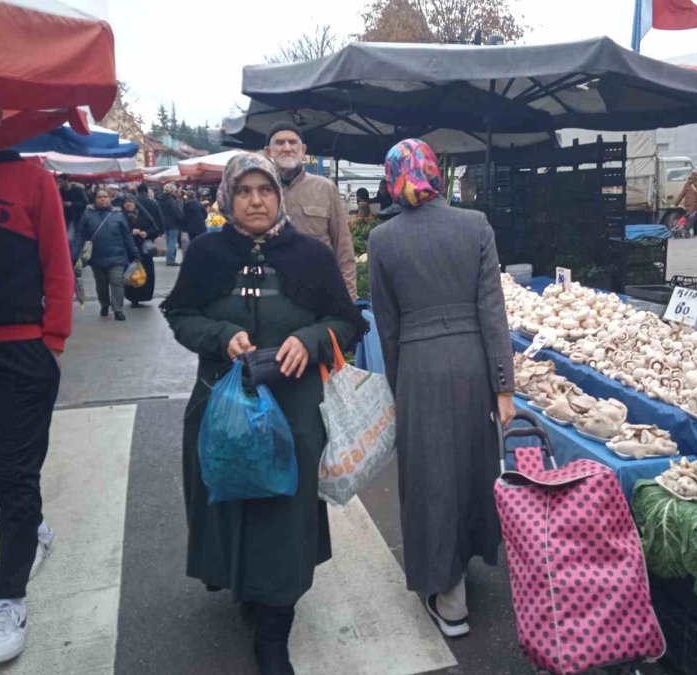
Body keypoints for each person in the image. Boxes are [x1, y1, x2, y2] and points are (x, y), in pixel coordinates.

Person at [161, 153, 366, 675]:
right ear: (229, 198)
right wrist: (221, 336)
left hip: (292, 413)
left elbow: (346, 321)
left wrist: (311, 338)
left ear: (279, 196)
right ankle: (243, 586)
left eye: (265, 190)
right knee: (231, 503)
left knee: (281, 515)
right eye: (245, 191)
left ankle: (274, 630)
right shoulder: (208, 254)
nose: (256, 200)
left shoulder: (310, 257)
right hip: (220, 408)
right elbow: (180, 314)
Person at [368, 139, 515, 638]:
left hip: (418, 368)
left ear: (392, 178)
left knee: (430, 477)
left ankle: (449, 598)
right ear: (436, 171)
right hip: (473, 364)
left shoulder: (383, 240)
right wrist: (503, 387)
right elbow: (494, 312)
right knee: (472, 466)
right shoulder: (475, 225)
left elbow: (386, 326)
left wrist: (398, 385)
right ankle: (470, 559)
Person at [0, 147, 73, 664]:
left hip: (22, 348)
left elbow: (57, 265)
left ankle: (8, 597)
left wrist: (53, 340)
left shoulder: (32, 178)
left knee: (14, 474)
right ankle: (36, 529)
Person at [263, 122, 357, 299]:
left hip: (320, 292)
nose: (287, 148)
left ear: (303, 149)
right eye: (280, 142)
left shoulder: (325, 188)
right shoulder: (260, 191)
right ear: (268, 151)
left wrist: (349, 299)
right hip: (273, 295)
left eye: (292, 142)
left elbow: (343, 248)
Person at [71, 189, 139, 321]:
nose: (103, 199)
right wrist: (74, 255)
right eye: (99, 197)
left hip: (117, 256)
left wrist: (135, 252)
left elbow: (127, 236)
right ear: (95, 199)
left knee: (117, 281)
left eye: (105, 196)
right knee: (101, 284)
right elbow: (79, 236)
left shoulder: (118, 214)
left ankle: (118, 309)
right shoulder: (87, 215)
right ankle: (104, 304)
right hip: (97, 257)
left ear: (110, 198)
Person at [121, 195, 158, 308]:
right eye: (126, 202)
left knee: (147, 273)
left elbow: (154, 230)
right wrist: (131, 232)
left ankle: (145, 295)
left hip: (144, 250)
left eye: (130, 201)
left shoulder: (144, 215)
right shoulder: (121, 217)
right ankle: (133, 298)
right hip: (129, 251)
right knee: (132, 273)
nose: (128, 204)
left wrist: (146, 233)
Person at [674, 169, 697, 238]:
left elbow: (682, 194)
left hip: (688, 205)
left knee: (694, 217)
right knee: (693, 218)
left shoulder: (688, 183)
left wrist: (676, 203)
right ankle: (687, 229)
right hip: (696, 205)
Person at [158, 183, 184, 265]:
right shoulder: (171, 200)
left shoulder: (160, 200)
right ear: (172, 190)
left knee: (168, 241)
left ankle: (168, 258)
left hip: (164, 223)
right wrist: (181, 218)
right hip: (173, 223)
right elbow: (176, 213)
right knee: (172, 242)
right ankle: (170, 259)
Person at [181, 189, 207, 255]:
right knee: (202, 240)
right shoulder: (200, 204)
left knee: (191, 240)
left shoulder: (186, 206)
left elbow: (184, 216)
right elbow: (205, 214)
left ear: (187, 196)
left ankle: (193, 252)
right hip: (200, 225)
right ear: (194, 196)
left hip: (190, 227)